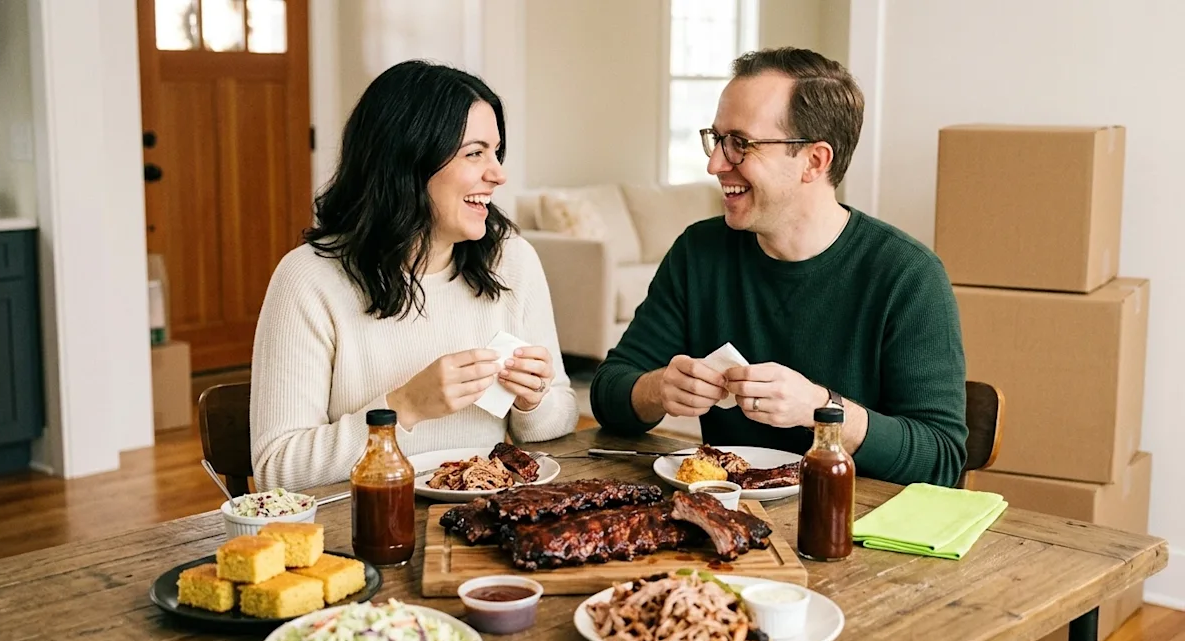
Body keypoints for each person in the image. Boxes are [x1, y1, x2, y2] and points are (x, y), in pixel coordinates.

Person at [590, 47, 967, 487]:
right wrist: (658, 389)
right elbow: (608, 392)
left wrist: (822, 410)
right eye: (716, 139)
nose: (715, 164)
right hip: (726, 517)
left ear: (814, 160)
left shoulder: (907, 275)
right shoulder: (700, 251)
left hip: (854, 530)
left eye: (740, 144)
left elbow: (941, 460)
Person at [251, 60, 578, 491]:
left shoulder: (512, 261)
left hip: (487, 525)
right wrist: (404, 407)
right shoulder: (309, 279)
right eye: (474, 153)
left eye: (496, 152)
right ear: (407, 162)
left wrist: (532, 400)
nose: (498, 173)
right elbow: (278, 468)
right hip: (366, 529)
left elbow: (557, 419)